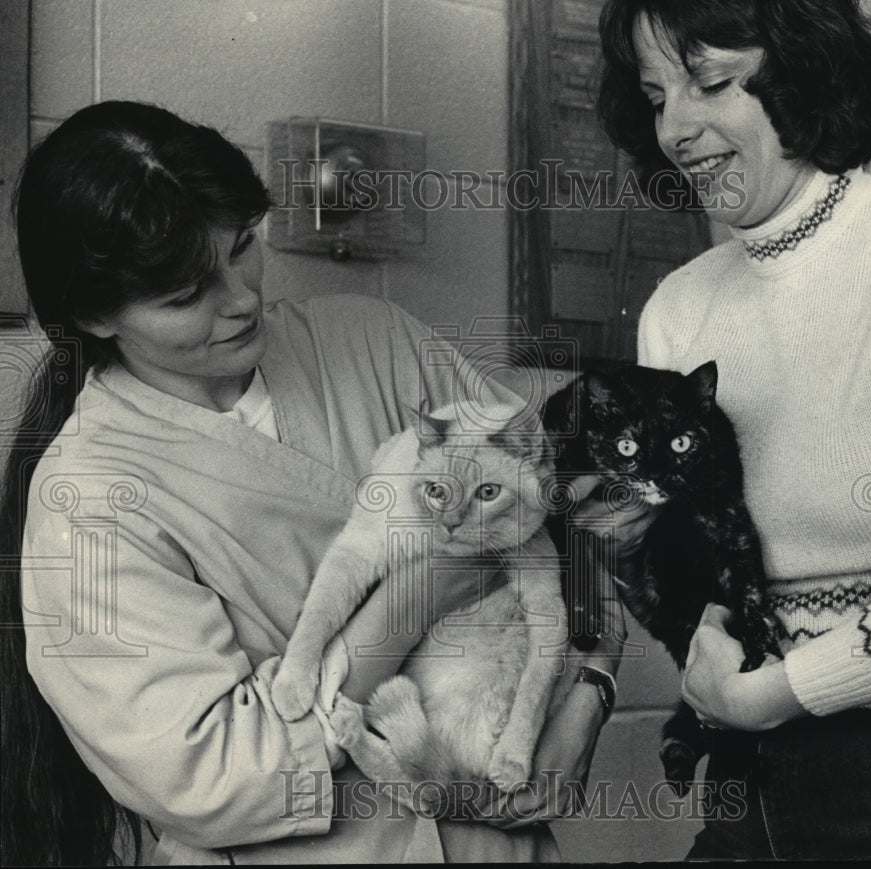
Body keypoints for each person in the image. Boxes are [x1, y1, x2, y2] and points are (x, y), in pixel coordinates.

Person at [0, 100, 626, 866]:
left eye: (242, 249)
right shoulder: (90, 497)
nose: (240, 299)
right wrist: (416, 595)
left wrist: (590, 694)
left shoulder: (372, 340)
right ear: (96, 315)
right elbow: (214, 776)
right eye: (185, 294)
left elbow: (568, 518)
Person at [596, 0, 871, 860]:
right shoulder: (678, 308)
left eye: (710, 82)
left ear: (801, 68)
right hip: (751, 775)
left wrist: (777, 690)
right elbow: (703, 580)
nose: (677, 126)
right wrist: (637, 562)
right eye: (657, 94)